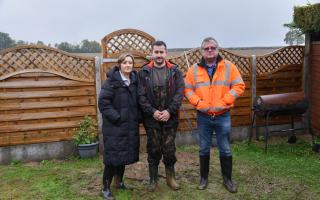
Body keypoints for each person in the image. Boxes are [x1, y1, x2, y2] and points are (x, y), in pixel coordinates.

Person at [184, 37, 245, 193]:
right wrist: (198, 103)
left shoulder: (229, 67)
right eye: (206, 48)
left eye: (212, 47)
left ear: (218, 49)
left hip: (223, 115)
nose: (210, 50)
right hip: (203, 116)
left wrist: (226, 100)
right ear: (202, 51)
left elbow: (239, 85)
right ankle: (203, 178)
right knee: (203, 148)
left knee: (225, 149)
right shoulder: (194, 70)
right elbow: (187, 89)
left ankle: (228, 180)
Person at [138, 40, 184, 191]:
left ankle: (171, 178)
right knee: (154, 148)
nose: (159, 55)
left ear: (166, 53)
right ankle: (153, 180)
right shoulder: (143, 72)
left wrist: (169, 111)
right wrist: (153, 112)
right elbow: (141, 96)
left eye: (161, 52)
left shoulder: (175, 71)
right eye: (156, 52)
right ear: (152, 54)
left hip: (170, 118)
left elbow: (179, 93)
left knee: (169, 148)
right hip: (151, 119)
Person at [98, 53, 140, 200]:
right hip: (114, 127)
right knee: (112, 158)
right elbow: (103, 103)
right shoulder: (111, 82)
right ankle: (105, 188)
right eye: (125, 62)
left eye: (130, 62)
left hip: (129, 127)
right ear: (119, 65)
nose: (128, 65)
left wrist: (137, 118)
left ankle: (119, 182)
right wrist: (117, 117)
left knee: (123, 156)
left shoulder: (135, 81)